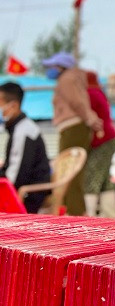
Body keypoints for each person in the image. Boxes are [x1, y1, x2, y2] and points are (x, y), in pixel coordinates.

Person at [42, 52, 103, 216]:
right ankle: (71, 210)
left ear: (61, 67)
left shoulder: (67, 79)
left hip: (73, 128)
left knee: (70, 173)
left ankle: (76, 212)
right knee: (70, 172)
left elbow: (78, 103)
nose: (49, 70)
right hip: (73, 127)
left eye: (52, 66)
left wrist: (90, 120)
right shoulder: (70, 79)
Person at [0, 82, 51, 213]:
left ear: (14, 105)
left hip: (29, 196)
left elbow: (14, 178)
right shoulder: (20, 128)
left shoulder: (23, 132)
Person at [83, 71, 115, 217]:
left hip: (102, 141)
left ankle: (89, 215)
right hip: (109, 139)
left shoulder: (90, 93)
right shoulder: (97, 91)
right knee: (104, 180)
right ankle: (111, 216)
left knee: (92, 177)